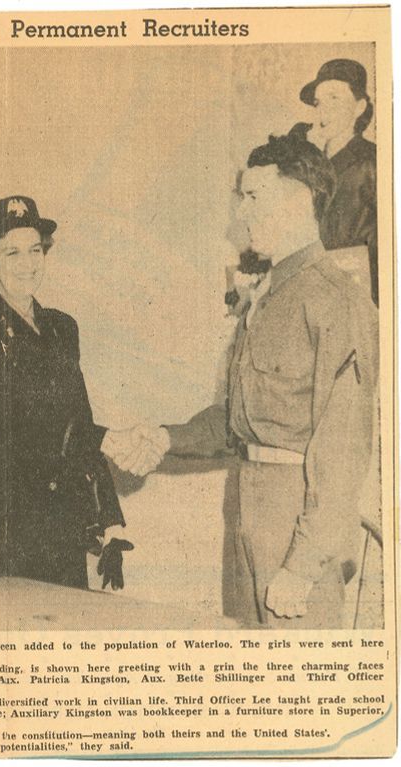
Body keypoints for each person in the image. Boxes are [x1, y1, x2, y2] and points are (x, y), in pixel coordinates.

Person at [104, 134, 378, 628]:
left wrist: (303, 563)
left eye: (253, 198)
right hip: (245, 513)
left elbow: (342, 451)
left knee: (302, 691)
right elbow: (235, 420)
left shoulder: (338, 300)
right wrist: (166, 437)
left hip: (297, 523)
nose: (241, 215)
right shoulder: (267, 298)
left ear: (298, 198)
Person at [0, 196, 129, 590]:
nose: (28, 263)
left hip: (60, 525)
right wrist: (105, 438)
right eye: (12, 252)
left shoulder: (62, 328)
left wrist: (110, 519)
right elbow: (17, 422)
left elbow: (79, 418)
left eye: (35, 250)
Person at [300, 59, 378, 304]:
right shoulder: (308, 165)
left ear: (359, 107)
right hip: (311, 293)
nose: (324, 110)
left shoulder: (374, 161)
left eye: (334, 98)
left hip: (358, 296)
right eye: (319, 102)